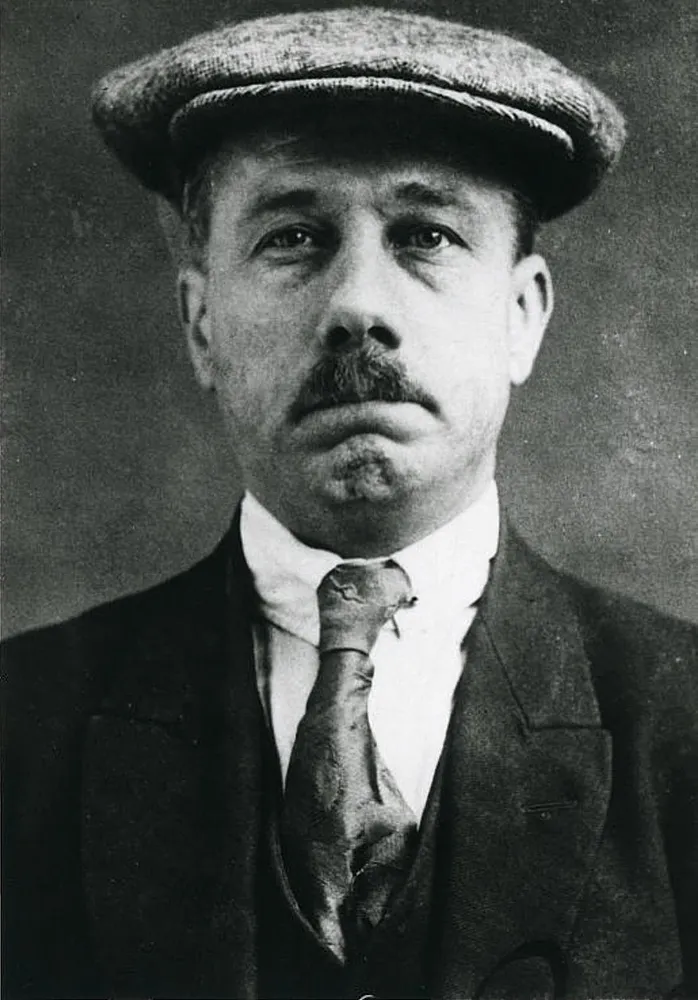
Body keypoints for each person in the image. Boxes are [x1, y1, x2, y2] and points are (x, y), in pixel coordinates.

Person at [2, 8, 696, 1000]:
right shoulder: (22, 727)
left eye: (426, 235)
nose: (356, 305)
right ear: (201, 326)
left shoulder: (681, 722)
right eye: (292, 237)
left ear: (521, 316)